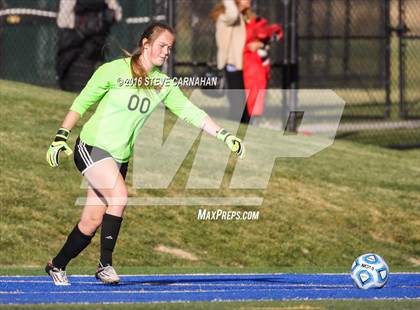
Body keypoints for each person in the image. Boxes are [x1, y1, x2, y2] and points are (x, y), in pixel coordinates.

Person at [45, 22, 245, 286]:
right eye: (162, 45)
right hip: (91, 147)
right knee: (120, 196)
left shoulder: (162, 83)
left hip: (119, 157)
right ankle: (105, 265)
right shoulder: (113, 70)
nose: (166, 52)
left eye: (170, 48)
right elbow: (81, 103)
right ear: (145, 44)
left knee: (91, 220)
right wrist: (60, 137)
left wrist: (223, 135)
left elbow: (190, 112)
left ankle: (56, 265)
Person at [56, 0, 122, 92]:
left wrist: (102, 19)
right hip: (75, 40)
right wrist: (80, 30)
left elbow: (117, 14)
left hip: (95, 43)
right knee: (69, 75)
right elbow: (63, 21)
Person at [210, 0, 249, 123]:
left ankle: (243, 128)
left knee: (245, 104)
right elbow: (233, 14)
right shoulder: (226, 17)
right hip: (233, 65)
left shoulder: (243, 16)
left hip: (245, 66)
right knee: (238, 104)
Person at [243, 13, 282, 123]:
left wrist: (262, 44)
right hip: (247, 65)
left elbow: (275, 32)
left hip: (255, 67)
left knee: (256, 93)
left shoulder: (259, 27)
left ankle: (253, 119)